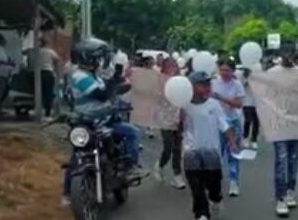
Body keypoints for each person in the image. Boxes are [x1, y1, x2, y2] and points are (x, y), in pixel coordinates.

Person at [69, 38, 144, 178]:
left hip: (103, 122)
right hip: (88, 123)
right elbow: (102, 95)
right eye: (98, 58)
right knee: (76, 156)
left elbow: (109, 90)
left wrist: (120, 84)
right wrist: (115, 82)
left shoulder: (93, 76)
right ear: (89, 58)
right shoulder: (79, 76)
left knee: (132, 132)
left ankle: (127, 166)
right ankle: (68, 191)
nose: (101, 61)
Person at [181, 71, 237, 220]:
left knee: (213, 184)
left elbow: (224, 124)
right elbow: (176, 125)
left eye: (208, 84)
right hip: (191, 151)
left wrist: (232, 141)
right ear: (192, 87)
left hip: (211, 152)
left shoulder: (213, 104)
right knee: (196, 186)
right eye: (202, 84)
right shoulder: (184, 106)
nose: (207, 87)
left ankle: (216, 199)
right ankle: (201, 216)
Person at [268, 47, 298, 217]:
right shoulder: (273, 73)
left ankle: (290, 190)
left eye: (291, 55)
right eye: (285, 55)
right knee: (281, 160)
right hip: (279, 124)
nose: (288, 58)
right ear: (280, 56)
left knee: (293, 159)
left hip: (297, 123)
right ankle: (281, 197)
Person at [211, 59, 245, 197]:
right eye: (222, 70)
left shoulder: (237, 84)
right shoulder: (213, 83)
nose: (224, 73)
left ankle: (233, 181)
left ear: (233, 71)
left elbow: (238, 104)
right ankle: (215, 181)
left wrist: (222, 98)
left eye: (227, 70)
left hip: (232, 121)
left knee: (233, 152)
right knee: (216, 153)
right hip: (216, 122)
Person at [157, 57, 186, 189]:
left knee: (177, 148)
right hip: (164, 119)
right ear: (164, 67)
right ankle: (160, 165)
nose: (172, 68)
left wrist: (183, 116)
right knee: (168, 147)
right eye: (169, 65)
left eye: (174, 65)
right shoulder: (159, 80)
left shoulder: (181, 80)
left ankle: (177, 175)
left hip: (177, 118)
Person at [25, 37, 61, 120]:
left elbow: (27, 62)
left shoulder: (32, 51)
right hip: (47, 73)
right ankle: (47, 114)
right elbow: (57, 60)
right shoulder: (50, 51)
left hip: (33, 74)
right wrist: (57, 73)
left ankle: (37, 111)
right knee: (48, 94)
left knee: (36, 93)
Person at [239, 66, 260, 150]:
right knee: (248, 120)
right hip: (246, 103)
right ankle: (245, 138)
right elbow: (241, 87)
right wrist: (247, 80)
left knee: (256, 122)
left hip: (257, 103)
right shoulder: (242, 78)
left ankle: (254, 140)